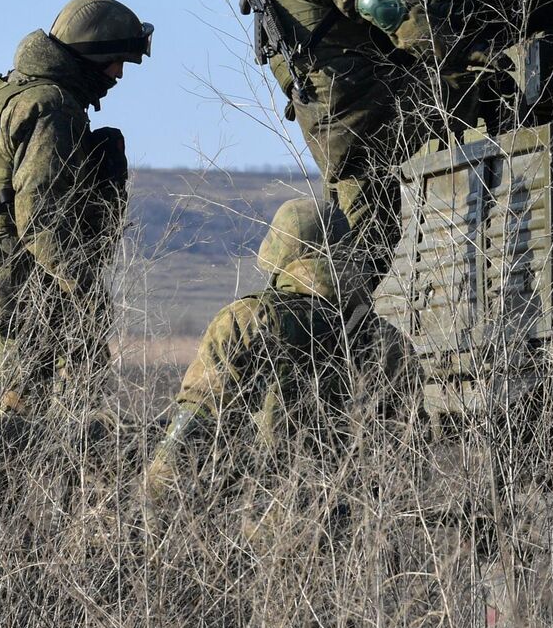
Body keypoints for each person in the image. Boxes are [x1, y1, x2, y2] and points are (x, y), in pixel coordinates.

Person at [0, 0, 147, 516]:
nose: (118, 77)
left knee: (26, 404)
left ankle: (25, 521)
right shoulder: (53, 107)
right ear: (88, 57)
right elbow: (40, 215)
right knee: (30, 411)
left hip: (12, 278)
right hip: (32, 286)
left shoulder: (14, 92)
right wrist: (82, 287)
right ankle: (10, 528)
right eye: (115, 63)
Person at [262, 0, 455, 278]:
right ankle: (339, 335)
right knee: (366, 246)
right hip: (363, 105)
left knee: (360, 229)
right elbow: (375, 4)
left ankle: (337, 333)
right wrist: (445, 51)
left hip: (330, 111)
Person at [141, 197, 415, 502]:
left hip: (255, 528)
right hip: (358, 534)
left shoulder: (250, 319)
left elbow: (192, 428)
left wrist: (154, 510)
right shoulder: (389, 342)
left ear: (280, 253)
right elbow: (406, 463)